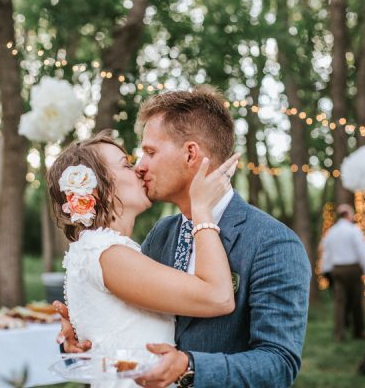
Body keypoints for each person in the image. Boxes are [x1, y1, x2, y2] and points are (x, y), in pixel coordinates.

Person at [56, 87, 311, 388]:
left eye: (150, 152)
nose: (140, 166)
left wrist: (191, 367)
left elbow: (279, 364)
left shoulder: (273, 243)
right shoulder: (161, 234)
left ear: (190, 154)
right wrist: (87, 336)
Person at [48, 131, 240, 387]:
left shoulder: (102, 250)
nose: (139, 169)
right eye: (126, 164)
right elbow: (219, 297)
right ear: (97, 191)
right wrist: (201, 211)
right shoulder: (107, 254)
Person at [320, 204, 365, 341]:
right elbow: (362, 251)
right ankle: (359, 331)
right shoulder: (354, 230)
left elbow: (326, 253)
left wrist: (325, 270)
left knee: (340, 302)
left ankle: (339, 333)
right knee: (356, 301)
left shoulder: (331, 232)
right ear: (348, 215)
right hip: (353, 269)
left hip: (337, 270)